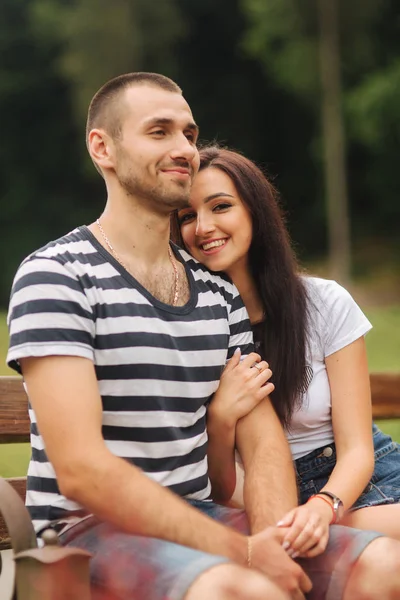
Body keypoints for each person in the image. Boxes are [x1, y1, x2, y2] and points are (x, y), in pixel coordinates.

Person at [6, 73, 400, 600]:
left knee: (386, 566)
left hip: (205, 518)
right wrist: (244, 552)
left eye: (189, 134)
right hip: (91, 531)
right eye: (160, 132)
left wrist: (272, 542)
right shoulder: (56, 274)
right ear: (102, 147)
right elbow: (82, 471)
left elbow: (262, 444)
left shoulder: (216, 294)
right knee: (243, 590)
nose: (183, 149)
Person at [174, 143, 400, 561]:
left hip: (357, 489)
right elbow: (219, 486)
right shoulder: (190, 328)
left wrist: (320, 507)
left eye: (220, 206)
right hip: (258, 506)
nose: (203, 226)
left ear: (255, 213)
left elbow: (357, 450)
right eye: (187, 216)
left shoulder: (324, 303)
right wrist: (221, 417)